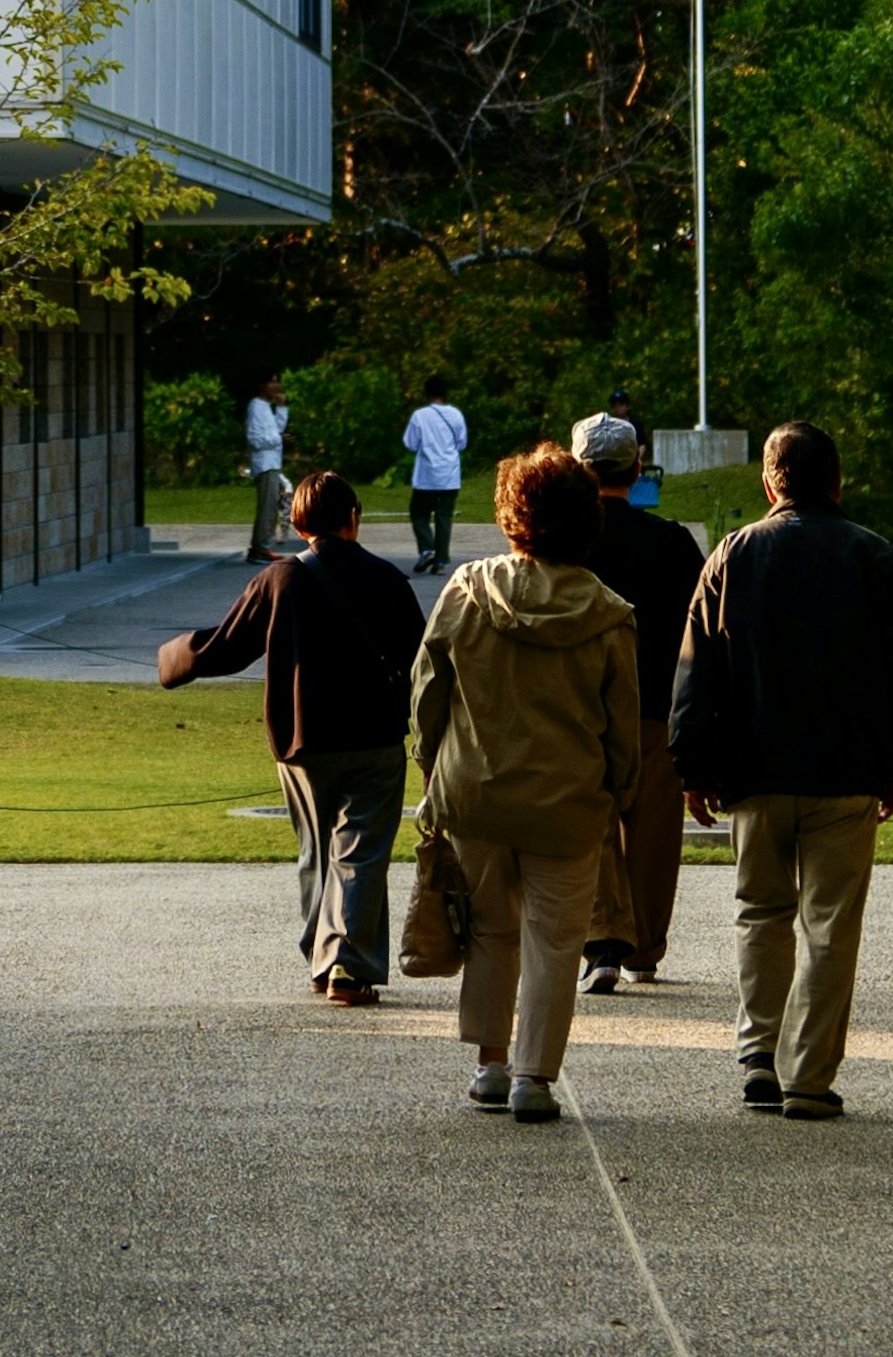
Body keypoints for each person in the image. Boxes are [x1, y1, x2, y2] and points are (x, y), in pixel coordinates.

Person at [666, 420, 893, 1120]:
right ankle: (808, 1074)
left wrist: (693, 764)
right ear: (837, 481)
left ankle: (758, 1050)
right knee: (830, 924)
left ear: (770, 481)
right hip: (845, 770)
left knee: (761, 911)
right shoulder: (875, 556)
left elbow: (697, 674)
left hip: (753, 770)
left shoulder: (733, 554)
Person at [409, 442, 639, 1129]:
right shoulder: (608, 613)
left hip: (476, 791)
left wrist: (431, 762)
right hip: (566, 801)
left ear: (513, 513)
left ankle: (490, 1062)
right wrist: (618, 792)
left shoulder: (467, 589)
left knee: (490, 930)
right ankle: (535, 1074)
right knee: (556, 939)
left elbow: (428, 691)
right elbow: (621, 725)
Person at [159, 472, 428, 1000]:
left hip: (302, 741)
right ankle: (346, 963)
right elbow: (421, 660)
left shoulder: (279, 580)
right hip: (374, 738)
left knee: (316, 851)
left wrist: (173, 659)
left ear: (300, 521)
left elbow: (226, 648)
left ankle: (322, 957)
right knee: (362, 851)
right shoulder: (387, 579)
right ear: (353, 518)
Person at [565, 410, 703, 998]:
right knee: (651, 832)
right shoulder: (671, 542)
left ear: (576, 468)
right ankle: (644, 944)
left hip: (580, 710)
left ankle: (602, 942)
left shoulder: (566, 545)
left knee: (591, 826)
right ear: (637, 467)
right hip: (654, 706)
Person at [398, 383, 469, 576]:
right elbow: (462, 443)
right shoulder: (456, 415)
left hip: (426, 477)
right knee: (444, 518)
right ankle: (440, 562)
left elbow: (411, 444)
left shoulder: (420, 416)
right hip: (450, 476)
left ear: (427, 394)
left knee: (419, 514)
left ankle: (427, 549)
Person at [241, 380, 293, 564]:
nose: (277, 386)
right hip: (264, 465)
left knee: (271, 507)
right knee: (266, 508)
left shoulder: (265, 407)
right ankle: (259, 549)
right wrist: (278, 440)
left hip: (272, 463)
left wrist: (281, 408)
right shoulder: (256, 407)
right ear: (262, 385)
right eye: (272, 382)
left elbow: (276, 430)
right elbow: (255, 439)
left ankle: (263, 547)